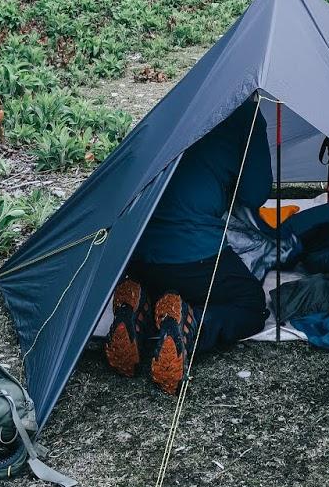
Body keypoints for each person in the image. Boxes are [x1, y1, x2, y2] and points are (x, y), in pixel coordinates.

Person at [105, 101, 271, 394]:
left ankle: (139, 306)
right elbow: (255, 193)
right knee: (251, 305)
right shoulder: (247, 114)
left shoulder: (185, 98)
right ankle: (191, 324)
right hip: (194, 254)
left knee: (167, 288)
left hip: (137, 250)